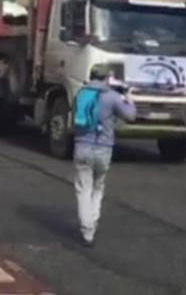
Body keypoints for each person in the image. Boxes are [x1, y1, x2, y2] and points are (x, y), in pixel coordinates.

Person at [74, 66, 137, 247]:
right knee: (98, 187)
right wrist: (129, 98)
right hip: (103, 148)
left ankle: (87, 231)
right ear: (106, 79)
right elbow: (131, 116)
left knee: (83, 189)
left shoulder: (80, 94)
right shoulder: (112, 97)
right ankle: (92, 222)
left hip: (82, 146)